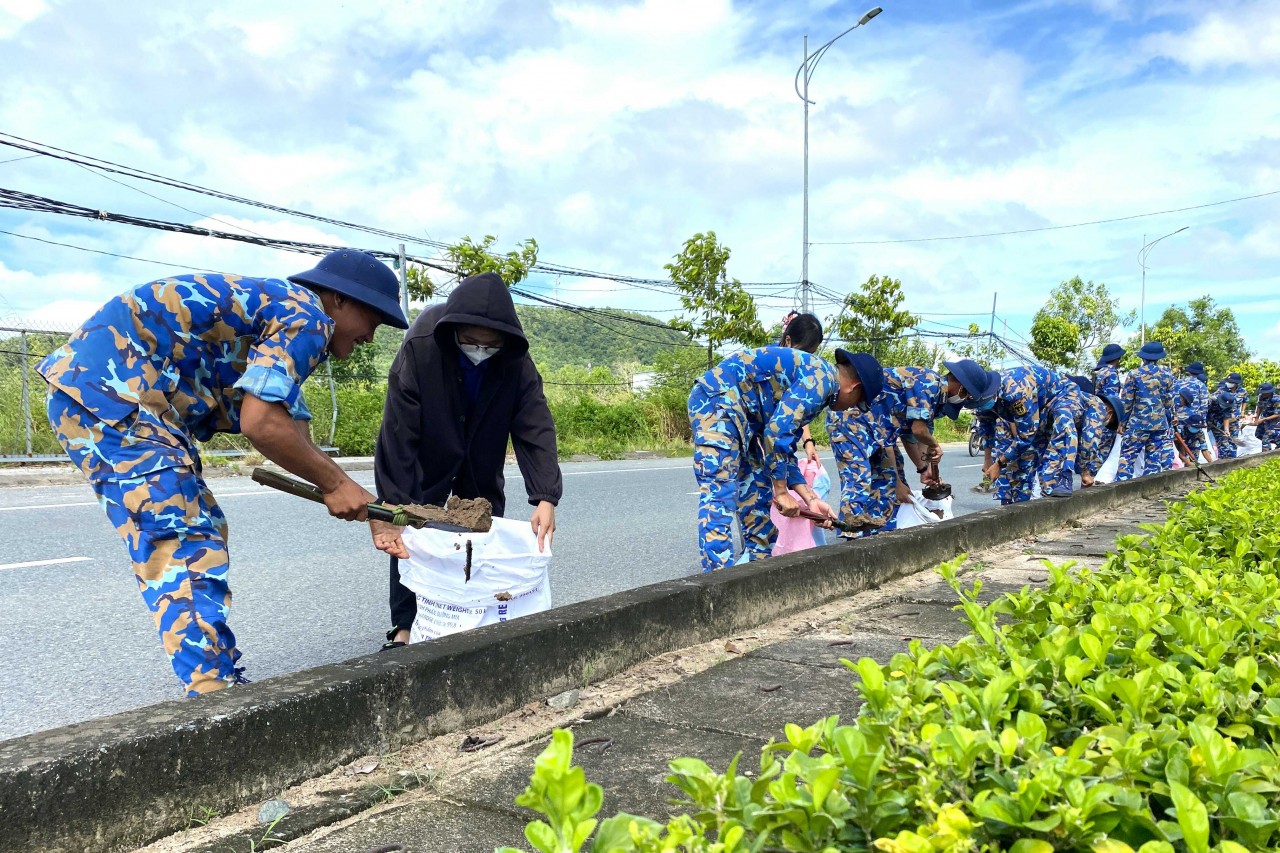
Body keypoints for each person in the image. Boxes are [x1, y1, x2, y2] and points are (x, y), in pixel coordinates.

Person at [37, 250, 407, 695]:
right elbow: (262, 424)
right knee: (184, 542)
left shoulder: (279, 310)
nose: (372, 336)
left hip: (111, 399)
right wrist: (336, 484)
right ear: (339, 300)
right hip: (114, 400)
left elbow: (290, 421)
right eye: (375, 318)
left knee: (203, 530)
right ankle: (214, 698)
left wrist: (365, 508)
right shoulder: (308, 314)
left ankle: (219, 675)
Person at [371, 272, 562, 649]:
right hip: (430, 449)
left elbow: (535, 426)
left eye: (489, 346)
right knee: (409, 532)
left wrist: (545, 496)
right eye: (470, 342)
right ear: (453, 331)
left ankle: (475, 615)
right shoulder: (422, 346)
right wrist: (391, 501)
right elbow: (397, 431)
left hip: (481, 450)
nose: (479, 351)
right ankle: (406, 627)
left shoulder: (516, 363)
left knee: (481, 534)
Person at [688, 346, 882, 572]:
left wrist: (810, 500)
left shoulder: (821, 382)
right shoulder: (822, 382)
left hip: (744, 417)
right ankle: (717, 585)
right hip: (716, 403)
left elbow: (784, 449)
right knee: (719, 495)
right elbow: (777, 433)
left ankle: (756, 576)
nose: (851, 408)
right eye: (858, 403)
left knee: (757, 495)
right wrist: (781, 492)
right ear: (855, 387)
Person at [943, 359, 1083, 503]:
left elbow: (1025, 436)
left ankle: (1064, 475)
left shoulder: (1017, 391)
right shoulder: (978, 393)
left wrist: (999, 464)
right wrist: (988, 459)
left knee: (1062, 421)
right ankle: (1019, 507)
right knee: (1022, 464)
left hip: (1062, 396)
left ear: (992, 394)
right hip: (1037, 409)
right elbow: (986, 426)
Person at [1116, 341, 1177, 480]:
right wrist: (1169, 420)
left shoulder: (1134, 374)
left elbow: (1126, 401)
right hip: (1159, 424)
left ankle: (1121, 489)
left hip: (1138, 423)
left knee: (1127, 456)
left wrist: (1122, 422)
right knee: (1154, 460)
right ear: (1159, 357)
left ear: (1143, 357)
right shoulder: (1167, 375)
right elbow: (1169, 402)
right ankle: (1151, 490)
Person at [777, 312, 826, 465]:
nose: (808, 359)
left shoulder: (801, 369)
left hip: (782, 440)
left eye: (812, 354)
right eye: (805, 352)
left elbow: (796, 407)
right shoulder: (769, 363)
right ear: (788, 340)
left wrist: (808, 442)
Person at [1076, 392, 1125, 487]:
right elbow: (1088, 443)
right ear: (1109, 413)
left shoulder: (1085, 404)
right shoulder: (1099, 411)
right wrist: (1085, 472)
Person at [1174, 362, 1212, 465]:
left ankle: (1188, 466)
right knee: (1194, 449)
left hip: (1178, 421)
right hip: (1195, 421)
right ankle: (1191, 465)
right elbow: (1204, 405)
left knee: (1181, 448)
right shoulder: (1201, 385)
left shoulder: (1177, 383)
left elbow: (1173, 401)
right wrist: (1202, 421)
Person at [1207, 374, 1239, 459]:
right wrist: (1206, 422)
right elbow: (1203, 412)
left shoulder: (1230, 402)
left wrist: (1226, 429)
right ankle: (1222, 463)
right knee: (1222, 443)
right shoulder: (1212, 400)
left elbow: (1226, 416)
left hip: (1221, 422)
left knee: (1228, 443)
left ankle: (1231, 462)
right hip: (1212, 422)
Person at [1255, 382, 1280, 452]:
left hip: (1275, 422)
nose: (1263, 394)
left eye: (1264, 393)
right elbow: (1260, 407)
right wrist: (1256, 417)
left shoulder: (1277, 399)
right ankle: (1277, 444)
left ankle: (1266, 455)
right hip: (1265, 420)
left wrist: (1263, 419)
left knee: (1266, 438)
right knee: (1258, 434)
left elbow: (1278, 414)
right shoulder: (1261, 397)